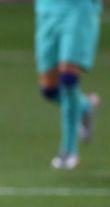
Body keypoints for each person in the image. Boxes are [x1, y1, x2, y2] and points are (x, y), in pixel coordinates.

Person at [35, 0, 102, 170]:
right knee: (49, 89)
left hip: (78, 9)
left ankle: (68, 150)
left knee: (68, 78)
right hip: (47, 9)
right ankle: (84, 106)